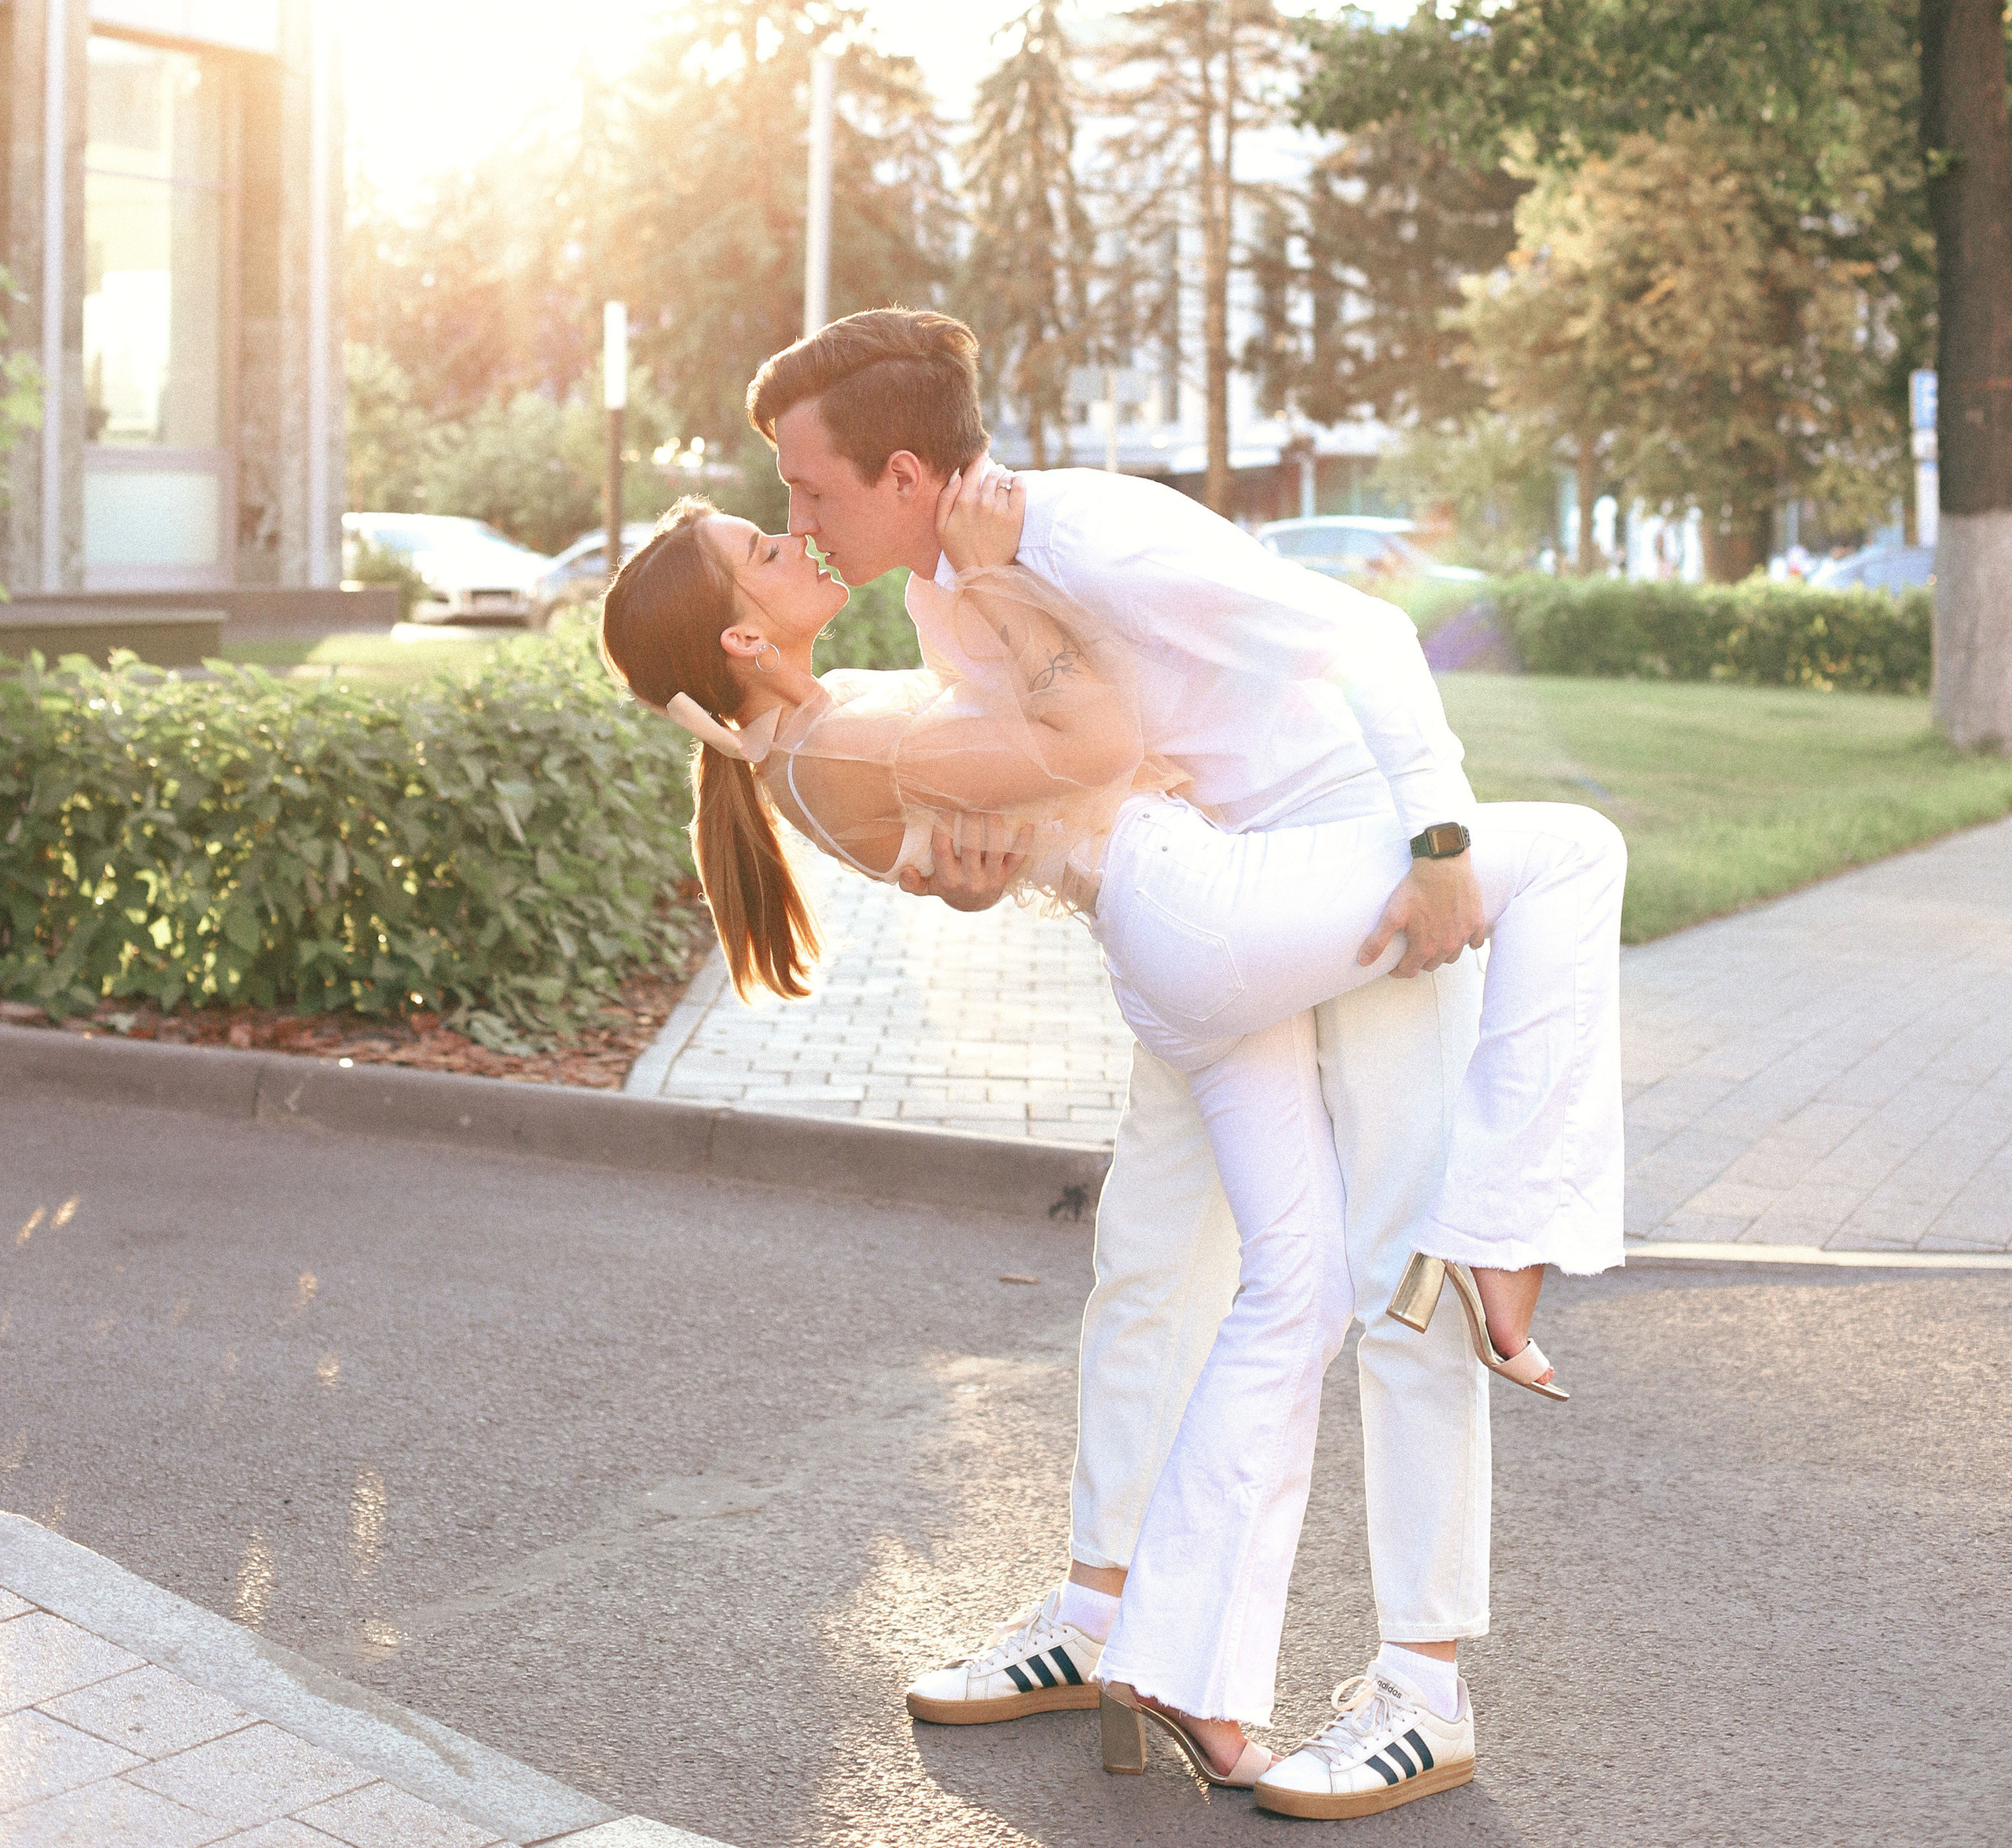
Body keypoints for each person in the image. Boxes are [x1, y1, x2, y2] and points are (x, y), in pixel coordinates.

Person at [602, 314, 1626, 1814]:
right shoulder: (946, 596)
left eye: (806, 493)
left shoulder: (1092, 532)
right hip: (1203, 910)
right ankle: (1115, 1624)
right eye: (778, 514)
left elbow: (1356, 642)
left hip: (1339, 851)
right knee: (1163, 1264)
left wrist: (1440, 835)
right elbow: (993, 771)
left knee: (1402, 1277)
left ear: (899, 471)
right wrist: (964, 861)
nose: (800, 523)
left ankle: (1421, 1684)